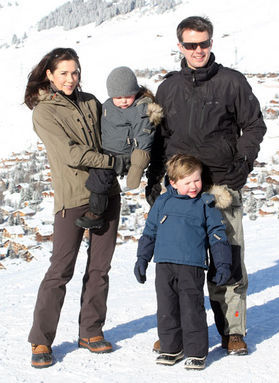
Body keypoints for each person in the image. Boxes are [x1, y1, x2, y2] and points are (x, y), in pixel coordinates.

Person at [146, 16, 267, 355]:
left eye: (204, 43)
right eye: (190, 45)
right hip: (180, 192)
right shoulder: (169, 87)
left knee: (227, 258)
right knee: (180, 267)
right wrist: (155, 181)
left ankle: (233, 331)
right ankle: (178, 333)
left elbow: (254, 126)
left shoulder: (232, 82)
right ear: (180, 46)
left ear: (211, 43)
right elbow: (159, 139)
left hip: (220, 187)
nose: (198, 50)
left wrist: (240, 167)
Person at [24, 48, 123, 368]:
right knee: (60, 270)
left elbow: (113, 135)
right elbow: (70, 153)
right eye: (64, 73)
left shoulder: (91, 101)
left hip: (107, 193)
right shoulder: (44, 111)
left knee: (100, 268)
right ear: (49, 75)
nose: (71, 78)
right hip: (72, 199)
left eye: (75, 72)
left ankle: (91, 331)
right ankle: (41, 339)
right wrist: (111, 161)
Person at [134, 154, 232, 370]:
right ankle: (171, 348)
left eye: (196, 180)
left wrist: (223, 263)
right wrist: (142, 258)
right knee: (167, 308)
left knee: (191, 309)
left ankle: (196, 352)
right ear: (173, 182)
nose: (193, 186)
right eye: (187, 182)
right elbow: (150, 232)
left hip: (192, 265)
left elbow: (217, 234)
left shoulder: (205, 204)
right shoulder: (162, 202)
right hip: (164, 265)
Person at [75, 66, 163, 230]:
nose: (123, 101)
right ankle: (98, 208)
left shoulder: (140, 109)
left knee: (100, 173)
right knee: (98, 173)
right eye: (118, 97)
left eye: (128, 96)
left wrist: (136, 168)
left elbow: (144, 138)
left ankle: (96, 213)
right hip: (108, 151)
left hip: (127, 156)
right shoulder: (108, 105)